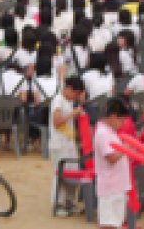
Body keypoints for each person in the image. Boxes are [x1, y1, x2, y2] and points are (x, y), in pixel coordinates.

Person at [94, 98, 132, 229]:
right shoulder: (103, 132)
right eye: (121, 120)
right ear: (113, 116)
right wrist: (125, 149)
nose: (122, 124)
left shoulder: (108, 131)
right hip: (110, 187)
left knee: (114, 222)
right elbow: (111, 157)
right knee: (108, 223)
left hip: (116, 185)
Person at [50, 77, 85, 216]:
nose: (75, 96)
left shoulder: (68, 101)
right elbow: (57, 121)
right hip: (59, 143)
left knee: (73, 173)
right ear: (69, 88)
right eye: (75, 93)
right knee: (60, 174)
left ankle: (69, 202)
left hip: (69, 142)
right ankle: (58, 204)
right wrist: (72, 114)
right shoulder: (57, 100)